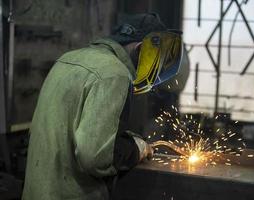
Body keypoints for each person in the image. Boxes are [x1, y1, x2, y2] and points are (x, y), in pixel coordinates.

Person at [22, 13, 183, 200]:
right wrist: (136, 149)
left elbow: (70, 128)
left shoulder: (68, 59)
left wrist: (123, 139)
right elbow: (95, 158)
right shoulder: (114, 74)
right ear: (141, 50)